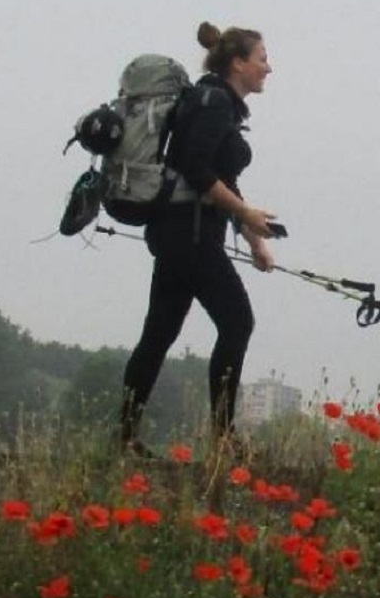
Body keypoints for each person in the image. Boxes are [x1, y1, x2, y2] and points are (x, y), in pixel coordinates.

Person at [117, 23, 276, 454]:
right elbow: (196, 170)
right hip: (189, 235)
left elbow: (221, 178)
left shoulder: (213, 100)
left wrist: (253, 238)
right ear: (238, 63)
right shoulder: (213, 102)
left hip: (180, 233)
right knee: (237, 322)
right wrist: (243, 213)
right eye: (262, 58)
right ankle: (224, 436)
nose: (269, 68)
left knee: (159, 333)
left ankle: (125, 438)